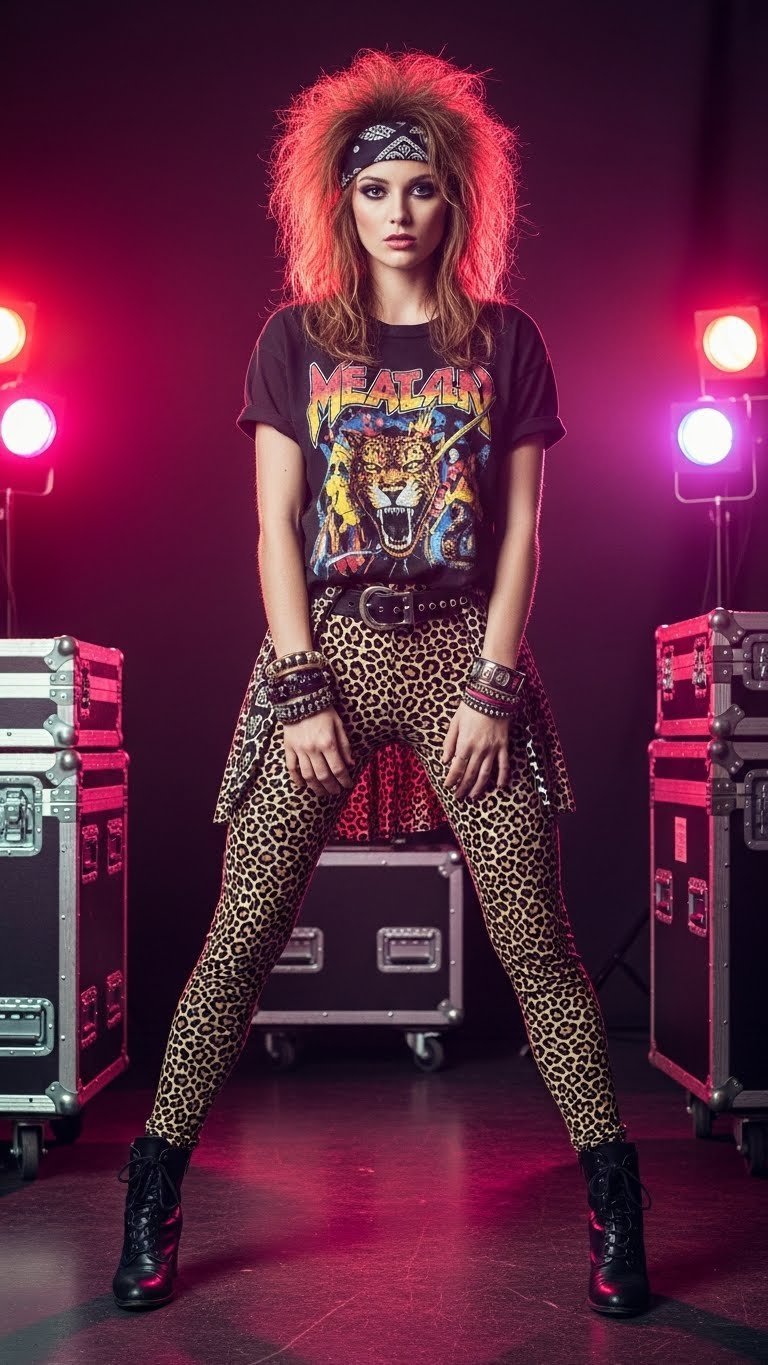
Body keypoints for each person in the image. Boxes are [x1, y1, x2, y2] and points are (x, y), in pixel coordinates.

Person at [112, 48, 652, 1317]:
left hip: (465, 650)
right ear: (339, 202)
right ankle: (152, 1190)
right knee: (240, 938)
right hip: (331, 651)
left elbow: (524, 531)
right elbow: (274, 525)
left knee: (538, 947)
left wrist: (494, 684)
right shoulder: (295, 342)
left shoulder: (506, 341)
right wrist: (300, 686)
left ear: (456, 197)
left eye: (420, 187)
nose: (397, 211)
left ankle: (616, 1199)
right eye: (374, 190)